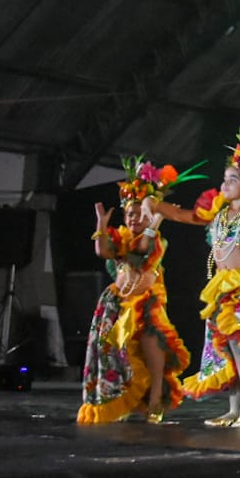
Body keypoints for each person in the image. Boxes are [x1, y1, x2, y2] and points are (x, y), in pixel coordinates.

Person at [152, 115, 240, 428]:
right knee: (226, 346)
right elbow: (182, 216)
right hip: (222, 285)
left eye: (233, 179)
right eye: (225, 179)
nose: (225, 184)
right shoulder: (218, 215)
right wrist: (153, 203)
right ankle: (234, 407)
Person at [77, 157, 197, 424]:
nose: (135, 218)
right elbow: (103, 251)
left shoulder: (155, 240)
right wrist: (101, 223)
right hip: (117, 301)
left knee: (150, 341)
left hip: (145, 301)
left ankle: (155, 398)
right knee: (115, 352)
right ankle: (121, 399)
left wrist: (155, 222)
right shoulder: (119, 238)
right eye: (131, 214)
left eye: (140, 214)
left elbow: (142, 250)